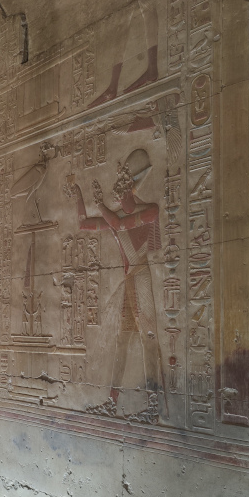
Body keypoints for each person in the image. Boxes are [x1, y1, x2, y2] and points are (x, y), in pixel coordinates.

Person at [66, 148, 167, 419]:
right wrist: (79, 194)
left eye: (122, 187)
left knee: (148, 339)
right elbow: (84, 224)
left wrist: (101, 205)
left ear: (132, 187)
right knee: (122, 341)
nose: (118, 194)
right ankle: (112, 402)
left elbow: (121, 225)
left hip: (141, 278)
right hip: (130, 283)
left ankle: (153, 406)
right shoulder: (117, 217)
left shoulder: (150, 211)